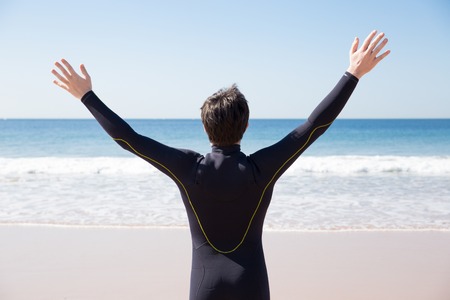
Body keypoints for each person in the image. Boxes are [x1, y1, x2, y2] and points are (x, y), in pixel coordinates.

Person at [51, 30, 390, 300]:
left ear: (203, 126)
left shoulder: (188, 168)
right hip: (252, 284)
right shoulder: (262, 169)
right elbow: (313, 127)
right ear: (246, 126)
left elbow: (129, 139)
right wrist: (352, 73)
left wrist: (86, 96)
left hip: (204, 287)